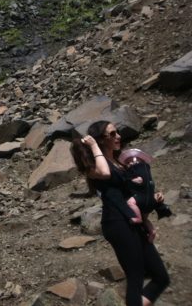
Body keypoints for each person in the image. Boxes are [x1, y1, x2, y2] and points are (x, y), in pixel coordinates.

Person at [71, 121, 170, 306]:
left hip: (135, 221)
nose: (118, 137)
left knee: (161, 277)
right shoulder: (92, 168)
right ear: (101, 140)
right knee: (136, 277)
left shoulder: (121, 163)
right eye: (112, 134)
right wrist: (93, 146)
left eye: (117, 132)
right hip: (117, 223)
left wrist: (149, 213)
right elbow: (105, 173)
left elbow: (133, 195)